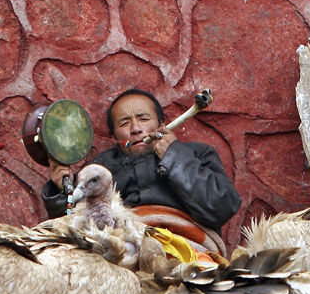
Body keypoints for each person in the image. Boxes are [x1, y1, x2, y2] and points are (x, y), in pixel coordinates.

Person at [40, 89, 241, 261]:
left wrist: (172, 155)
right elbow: (75, 228)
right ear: (113, 136)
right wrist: (61, 191)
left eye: (144, 119)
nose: (136, 129)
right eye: (124, 123)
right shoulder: (100, 167)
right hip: (123, 253)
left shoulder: (197, 153)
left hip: (192, 251)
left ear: (161, 123)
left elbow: (221, 207)